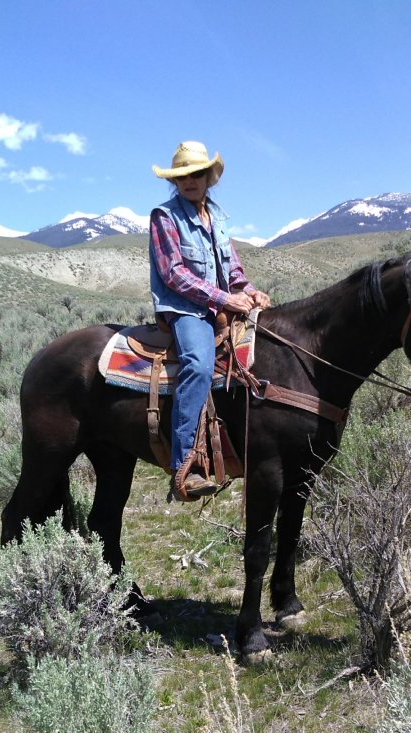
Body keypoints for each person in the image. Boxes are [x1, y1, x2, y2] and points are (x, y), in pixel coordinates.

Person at [149, 141, 271, 499]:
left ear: (208, 178)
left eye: (197, 174)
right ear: (175, 181)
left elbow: (232, 268)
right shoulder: (165, 216)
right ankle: (184, 466)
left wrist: (249, 290)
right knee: (199, 365)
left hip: (219, 305)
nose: (190, 181)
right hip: (186, 309)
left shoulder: (216, 219)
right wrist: (224, 298)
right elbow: (173, 273)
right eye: (182, 176)